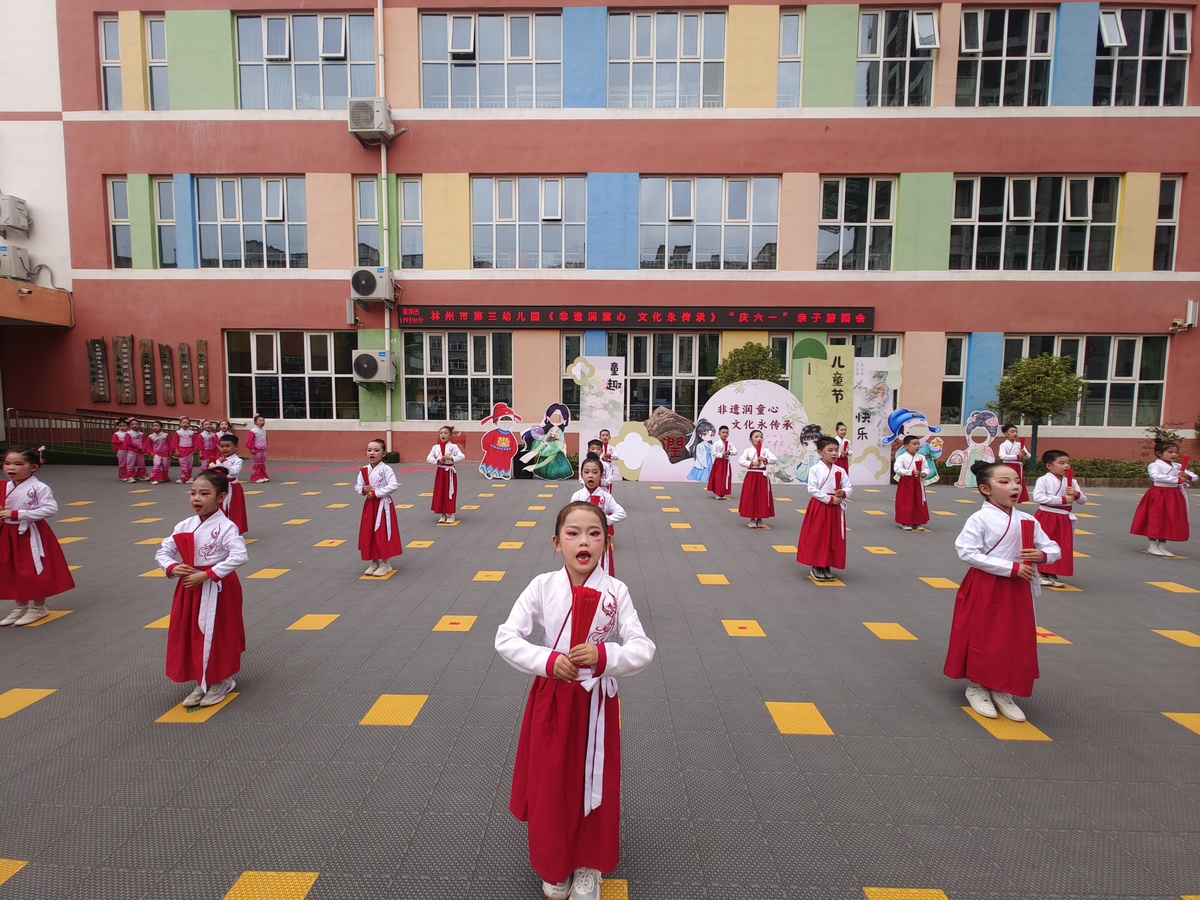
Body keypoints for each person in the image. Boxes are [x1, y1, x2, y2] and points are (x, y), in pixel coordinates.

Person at [495, 501, 656, 900]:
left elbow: (642, 648)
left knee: (593, 781)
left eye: (594, 533)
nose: (584, 541)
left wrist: (606, 657)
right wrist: (547, 661)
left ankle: (588, 866)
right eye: (573, 533)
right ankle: (555, 864)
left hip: (596, 704)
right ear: (556, 542)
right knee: (552, 783)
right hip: (551, 698)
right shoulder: (541, 586)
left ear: (606, 542)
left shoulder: (615, 591)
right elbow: (506, 638)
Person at [944, 460, 1060, 723]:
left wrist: (1043, 555)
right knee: (984, 634)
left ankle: (1001, 687)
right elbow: (967, 551)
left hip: (1019, 586)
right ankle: (977, 686)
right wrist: (1010, 567)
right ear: (985, 489)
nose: (1015, 486)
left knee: (1014, 637)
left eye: (1017, 481)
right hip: (987, 584)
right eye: (1004, 482)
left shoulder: (1028, 519)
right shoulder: (980, 518)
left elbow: (1054, 548)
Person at [155, 468, 247, 707]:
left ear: (221, 497)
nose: (196, 498)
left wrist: (207, 574)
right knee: (191, 632)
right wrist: (173, 567)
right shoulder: (184, 524)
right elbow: (163, 551)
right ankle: (201, 680)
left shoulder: (227, 527)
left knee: (217, 632)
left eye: (204, 493)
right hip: (190, 586)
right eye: (193, 493)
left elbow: (239, 555)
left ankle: (221, 680)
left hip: (218, 587)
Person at [0, 447, 76, 626]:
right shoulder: (5, 486)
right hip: (8, 532)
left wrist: (17, 514)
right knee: (12, 568)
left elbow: (50, 509)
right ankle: (21, 605)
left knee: (32, 568)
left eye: (18, 464)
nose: (11, 468)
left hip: (29, 532)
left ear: (33, 467)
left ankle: (39, 606)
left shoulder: (39, 487)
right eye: (7, 463)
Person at [797, 436, 852, 582]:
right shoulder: (815, 469)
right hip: (821, 506)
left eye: (836, 450)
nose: (834, 453)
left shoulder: (840, 470)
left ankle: (827, 564)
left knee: (833, 536)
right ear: (820, 452)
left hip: (836, 507)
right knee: (819, 535)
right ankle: (817, 565)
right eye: (830, 450)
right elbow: (812, 489)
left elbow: (848, 487)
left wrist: (843, 493)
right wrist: (829, 499)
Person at [1131, 439, 1197, 557]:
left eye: (1176, 452)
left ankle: (1162, 545)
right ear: (1159, 453)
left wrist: (1186, 476)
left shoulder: (1177, 466)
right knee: (1156, 518)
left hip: (1174, 495)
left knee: (1169, 519)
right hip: (1159, 493)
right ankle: (1152, 545)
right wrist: (1177, 480)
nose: (1174, 455)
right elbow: (1155, 476)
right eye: (1170, 452)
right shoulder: (1154, 465)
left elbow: (1194, 476)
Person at [1032, 450, 1087, 587]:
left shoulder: (1072, 482)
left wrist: (1076, 494)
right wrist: (1062, 499)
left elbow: (1083, 500)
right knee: (1044, 542)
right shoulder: (1043, 480)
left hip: (1064, 518)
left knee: (1061, 546)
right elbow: (1038, 497)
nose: (1066, 466)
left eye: (1068, 463)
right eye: (1061, 463)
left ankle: (1053, 572)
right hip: (1047, 515)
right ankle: (1039, 571)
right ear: (1049, 466)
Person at [570, 454, 626, 576]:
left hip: (599, 539)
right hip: (581, 539)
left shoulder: (606, 496)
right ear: (582, 475)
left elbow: (622, 513)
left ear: (601, 475)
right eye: (586, 472)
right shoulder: (577, 496)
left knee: (602, 569)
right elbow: (570, 518)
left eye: (595, 472)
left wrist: (605, 520)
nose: (590, 475)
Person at [356, 438, 402, 576]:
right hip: (370, 505)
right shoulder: (364, 470)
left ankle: (385, 563)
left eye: (376, 450)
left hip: (383, 505)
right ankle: (374, 561)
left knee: (383, 532)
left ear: (383, 453)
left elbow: (393, 485)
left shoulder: (386, 469)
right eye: (369, 450)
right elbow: (357, 486)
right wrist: (364, 490)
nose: (372, 453)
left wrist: (376, 492)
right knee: (369, 532)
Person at [738, 429, 776, 529]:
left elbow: (774, 459)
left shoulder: (766, 451)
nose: (759, 438)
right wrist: (752, 463)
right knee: (751, 496)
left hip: (762, 476)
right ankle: (752, 518)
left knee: (762, 497)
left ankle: (760, 518)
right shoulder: (748, 451)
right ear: (750, 439)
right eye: (756, 437)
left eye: (761, 436)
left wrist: (765, 459)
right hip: (751, 475)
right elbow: (741, 461)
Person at [427, 425, 465, 524]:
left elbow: (461, 456)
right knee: (440, 492)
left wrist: (451, 458)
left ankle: (451, 514)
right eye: (441, 433)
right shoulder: (435, 447)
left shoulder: (453, 447)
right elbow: (429, 458)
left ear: (450, 435)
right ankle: (442, 514)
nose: (443, 435)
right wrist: (438, 461)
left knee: (450, 492)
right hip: (440, 472)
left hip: (450, 472)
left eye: (445, 433)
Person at [894, 435, 931, 531]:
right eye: (914, 444)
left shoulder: (921, 457)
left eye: (918, 444)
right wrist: (910, 472)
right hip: (906, 483)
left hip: (917, 483)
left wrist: (924, 473)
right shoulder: (901, 458)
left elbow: (926, 468)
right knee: (906, 502)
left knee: (918, 501)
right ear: (906, 446)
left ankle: (917, 522)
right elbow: (897, 469)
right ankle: (904, 522)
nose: (917, 446)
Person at [213, 436, 248, 534]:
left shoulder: (238, 460)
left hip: (233, 487)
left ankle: (234, 529)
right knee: (219, 507)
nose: (224, 449)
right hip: (221, 486)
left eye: (227, 446)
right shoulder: (219, 460)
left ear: (235, 447)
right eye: (222, 446)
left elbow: (233, 472)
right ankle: (219, 528)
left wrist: (224, 463)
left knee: (234, 508)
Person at [996, 423, 1032, 503]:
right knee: (1007, 482)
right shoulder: (1003, 445)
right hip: (1008, 466)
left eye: (1016, 432)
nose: (1015, 433)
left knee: (1017, 483)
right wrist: (1017, 456)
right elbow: (1002, 456)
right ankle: (1004, 497)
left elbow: (1028, 456)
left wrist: (1024, 454)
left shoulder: (1019, 444)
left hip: (1018, 466)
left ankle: (1016, 498)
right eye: (1012, 432)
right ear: (1006, 434)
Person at [706, 425, 735, 500]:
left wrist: (729, 452)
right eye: (723, 432)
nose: (725, 434)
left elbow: (735, 451)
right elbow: (713, 452)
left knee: (726, 477)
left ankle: (723, 492)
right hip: (719, 462)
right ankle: (718, 493)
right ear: (719, 433)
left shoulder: (730, 444)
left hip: (726, 463)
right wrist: (722, 455)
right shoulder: (716, 443)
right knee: (718, 477)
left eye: (726, 433)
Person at [685, 419, 716, 483]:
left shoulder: (710, 446)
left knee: (709, 471)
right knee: (703, 473)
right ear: (699, 434)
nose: (708, 437)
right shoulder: (699, 446)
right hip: (703, 462)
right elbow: (699, 456)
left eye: (711, 435)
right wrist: (703, 463)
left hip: (709, 461)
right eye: (705, 434)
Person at [172, 416, 198, 484]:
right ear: (180, 424)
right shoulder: (178, 432)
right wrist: (176, 450)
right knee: (183, 464)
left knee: (189, 465)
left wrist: (195, 449)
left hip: (190, 450)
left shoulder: (192, 433)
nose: (185, 424)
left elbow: (195, 441)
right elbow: (175, 442)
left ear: (189, 424)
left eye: (187, 423)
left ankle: (189, 477)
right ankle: (183, 477)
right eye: (183, 422)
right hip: (181, 449)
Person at [245, 414, 270, 483]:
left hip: (263, 448)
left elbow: (265, 439)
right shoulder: (253, 431)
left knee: (262, 463)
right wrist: (252, 448)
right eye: (260, 420)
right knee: (257, 463)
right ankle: (256, 477)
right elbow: (250, 440)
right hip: (256, 449)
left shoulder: (264, 430)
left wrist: (266, 446)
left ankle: (263, 475)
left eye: (263, 420)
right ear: (255, 422)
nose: (262, 422)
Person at [146, 421, 172, 485]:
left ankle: (165, 477)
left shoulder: (165, 435)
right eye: (154, 426)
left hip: (165, 453)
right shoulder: (151, 436)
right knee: (156, 465)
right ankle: (154, 478)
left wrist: (170, 451)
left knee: (165, 466)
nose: (155, 427)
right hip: (156, 453)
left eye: (157, 426)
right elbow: (148, 445)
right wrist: (150, 452)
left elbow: (170, 443)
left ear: (161, 427)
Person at [125, 417, 149, 481]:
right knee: (130, 463)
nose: (134, 425)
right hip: (132, 451)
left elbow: (144, 442)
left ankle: (142, 475)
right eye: (132, 424)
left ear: (139, 425)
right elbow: (128, 442)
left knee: (141, 463)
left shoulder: (141, 434)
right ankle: (130, 477)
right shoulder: (128, 433)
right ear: (129, 426)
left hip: (140, 451)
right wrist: (137, 446)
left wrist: (144, 448)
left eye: (136, 424)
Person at [112, 418, 132, 482]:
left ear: (127, 426)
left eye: (124, 426)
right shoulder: (116, 434)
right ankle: (123, 475)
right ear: (117, 427)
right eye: (120, 426)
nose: (122, 427)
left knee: (129, 462)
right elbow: (114, 441)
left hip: (129, 449)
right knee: (122, 463)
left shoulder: (129, 433)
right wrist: (122, 441)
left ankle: (129, 474)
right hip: (121, 449)